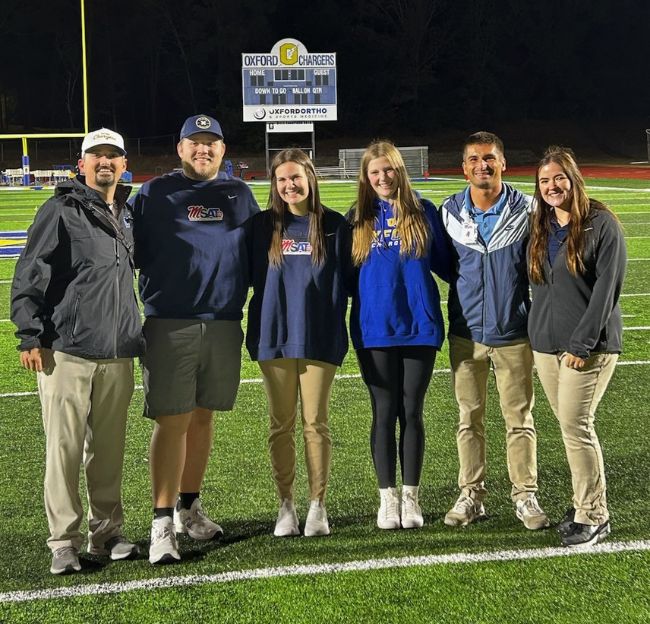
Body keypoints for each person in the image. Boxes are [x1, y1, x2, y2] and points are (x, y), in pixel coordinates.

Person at [11, 128, 143, 574]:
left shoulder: (125, 213)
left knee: (107, 450)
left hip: (117, 349)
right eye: (96, 156)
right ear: (81, 164)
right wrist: (31, 334)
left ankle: (106, 532)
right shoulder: (60, 210)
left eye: (113, 156)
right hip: (66, 350)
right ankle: (63, 540)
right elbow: (31, 270)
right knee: (64, 449)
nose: (105, 163)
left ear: (124, 164)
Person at [131, 114, 259, 564]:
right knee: (172, 418)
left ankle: (189, 506)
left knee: (203, 416)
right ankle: (161, 521)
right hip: (170, 321)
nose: (203, 150)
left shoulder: (238, 194)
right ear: (180, 149)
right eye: (194, 143)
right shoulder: (154, 193)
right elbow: (129, 253)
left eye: (212, 143)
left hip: (223, 321)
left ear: (223, 150)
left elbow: (257, 253)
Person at [439, 131, 549, 530]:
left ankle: (525, 495)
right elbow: (445, 264)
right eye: (474, 159)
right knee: (469, 417)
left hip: (514, 331)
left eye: (489, 158)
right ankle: (472, 493)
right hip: (466, 332)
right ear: (463, 167)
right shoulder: (449, 210)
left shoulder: (529, 209)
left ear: (503, 163)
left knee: (518, 418)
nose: (482, 165)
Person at [245, 149, 350, 537]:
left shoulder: (335, 226)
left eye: (296, 177)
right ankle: (285, 504)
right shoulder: (260, 227)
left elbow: (352, 283)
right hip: (273, 336)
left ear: (310, 179)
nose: (289, 185)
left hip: (319, 337)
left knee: (315, 423)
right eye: (282, 179)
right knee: (280, 425)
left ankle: (317, 505)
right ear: (274, 184)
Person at [348, 140, 451, 530]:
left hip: (419, 328)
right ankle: (387, 499)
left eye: (387, 169)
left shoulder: (423, 211)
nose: (382, 177)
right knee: (383, 412)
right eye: (374, 172)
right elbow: (341, 277)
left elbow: (448, 264)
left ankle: (411, 497)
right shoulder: (357, 217)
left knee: (412, 412)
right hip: (374, 329)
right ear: (366, 177)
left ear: (399, 170)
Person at [528, 147, 625, 547]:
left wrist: (582, 344)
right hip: (546, 345)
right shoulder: (542, 225)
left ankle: (594, 515)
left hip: (587, 348)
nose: (552, 187)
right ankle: (582, 505)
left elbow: (606, 291)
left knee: (576, 427)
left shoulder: (601, 224)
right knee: (570, 428)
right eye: (545, 181)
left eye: (559, 178)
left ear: (573, 178)